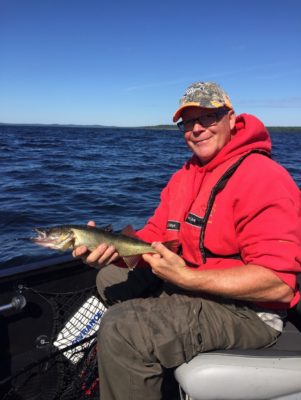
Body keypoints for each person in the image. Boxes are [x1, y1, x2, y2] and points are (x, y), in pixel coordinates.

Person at [73, 82, 301, 400]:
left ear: (231, 118)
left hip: (249, 312)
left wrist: (187, 277)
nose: (196, 129)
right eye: (188, 122)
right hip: (192, 285)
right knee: (109, 278)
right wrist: (108, 251)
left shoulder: (264, 177)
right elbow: (153, 236)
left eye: (207, 117)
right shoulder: (184, 176)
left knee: (123, 328)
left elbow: (278, 284)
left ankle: (134, 354)